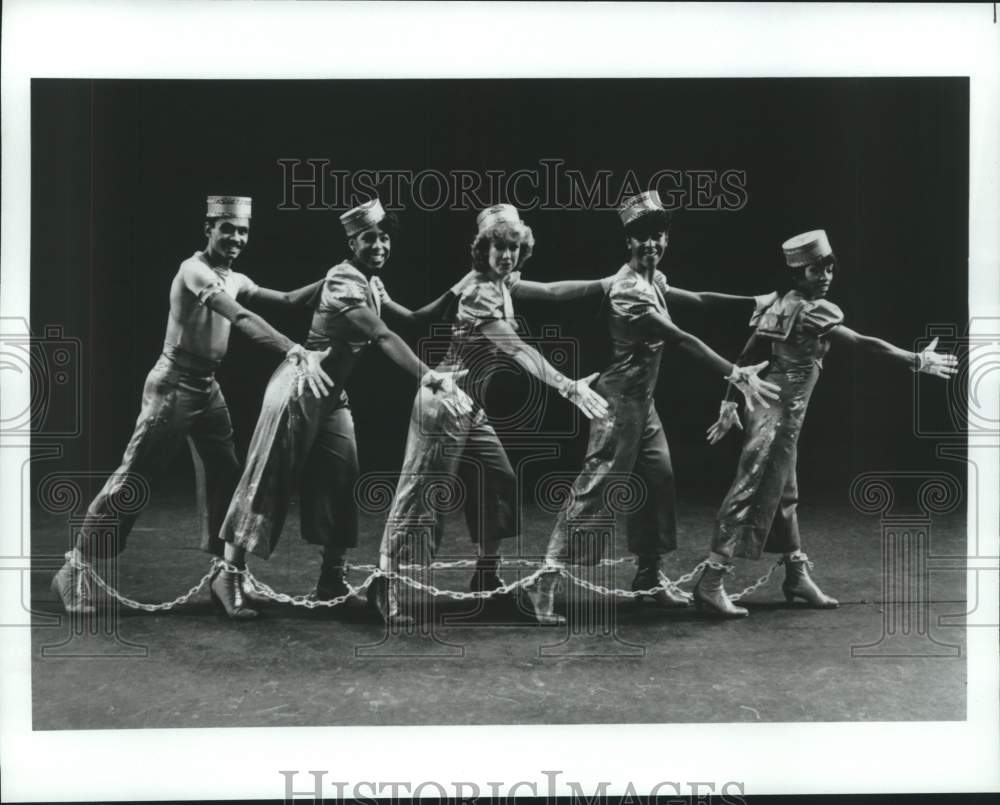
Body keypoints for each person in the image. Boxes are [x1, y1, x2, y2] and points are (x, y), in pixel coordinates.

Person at [51, 195, 333, 614]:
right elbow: (237, 315)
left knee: (226, 474)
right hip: (173, 385)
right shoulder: (194, 270)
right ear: (209, 229)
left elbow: (291, 299)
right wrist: (293, 349)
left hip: (207, 388)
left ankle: (226, 576)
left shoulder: (234, 276)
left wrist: (335, 279)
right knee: (134, 478)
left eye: (243, 231)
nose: (237, 238)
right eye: (228, 229)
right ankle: (74, 568)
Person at [525, 191, 781, 625]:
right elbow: (682, 337)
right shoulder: (629, 291)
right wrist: (735, 373)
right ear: (628, 242)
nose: (652, 245)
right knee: (595, 487)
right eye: (642, 238)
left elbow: (697, 299)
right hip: (618, 404)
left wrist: (754, 302)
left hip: (644, 406)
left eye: (658, 236)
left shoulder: (654, 281)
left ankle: (648, 575)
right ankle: (544, 580)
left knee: (659, 480)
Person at [214, 198, 473, 618]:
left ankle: (331, 579)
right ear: (352, 242)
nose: (379, 245)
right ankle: (228, 576)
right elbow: (384, 335)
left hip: (332, 396)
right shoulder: (343, 282)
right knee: (266, 477)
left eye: (385, 237)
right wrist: (429, 375)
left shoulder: (370, 282)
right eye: (369, 238)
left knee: (340, 479)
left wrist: (460, 288)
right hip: (299, 388)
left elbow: (409, 318)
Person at [695, 229, 958, 617]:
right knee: (751, 488)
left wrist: (731, 401)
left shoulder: (783, 303)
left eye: (829, 268)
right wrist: (914, 360)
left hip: (772, 410)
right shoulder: (813, 310)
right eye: (817, 270)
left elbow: (750, 350)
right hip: (779, 414)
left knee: (785, 492)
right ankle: (711, 581)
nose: (826, 276)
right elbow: (863, 343)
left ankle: (796, 575)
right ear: (799, 275)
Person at [371, 204, 612, 625]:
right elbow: (517, 348)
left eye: (513, 247)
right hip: (444, 401)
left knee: (499, 477)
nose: (507, 255)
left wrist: (605, 283)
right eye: (499, 246)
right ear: (484, 250)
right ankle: (385, 582)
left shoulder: (503, 282)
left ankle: (486, 574)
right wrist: (567, 385)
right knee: (419, 494)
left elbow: (554, 292)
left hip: (472, 406)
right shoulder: (480, 290)